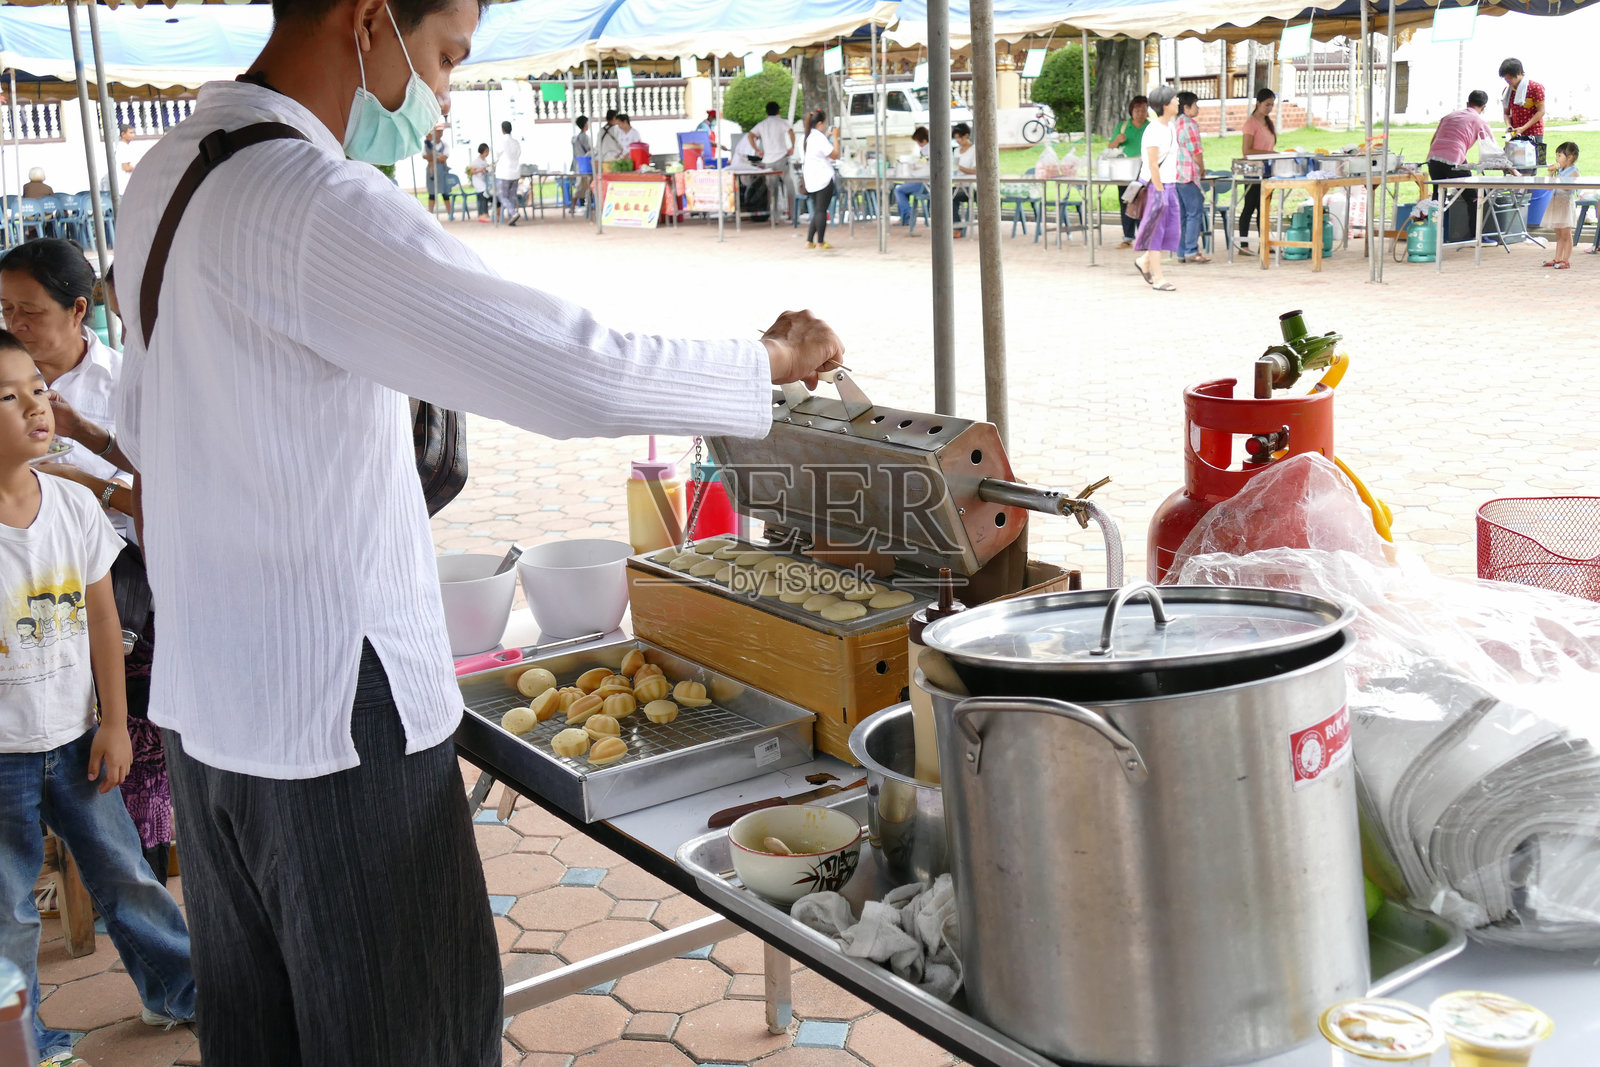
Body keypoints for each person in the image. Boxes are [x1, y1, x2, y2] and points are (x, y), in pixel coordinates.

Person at [113, 2, 844, 1065]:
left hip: (211, 704)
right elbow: (564, 361)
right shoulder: (311, 199)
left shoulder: (170, 171)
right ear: (369, 22)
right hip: (336, 712)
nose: (445, 94)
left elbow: (144, 426)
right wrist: (764, 360)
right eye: (448, 56)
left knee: (262, 1038)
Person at [0, 332, 197, 1067]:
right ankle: (21, 1042)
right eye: (8, 396)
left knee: (127, 876)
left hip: (76, 740)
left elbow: (105, 618)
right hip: (3, 757)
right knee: (8, 910)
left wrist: (115, 722)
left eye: (37, 387)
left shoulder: (73, 505)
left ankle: (178, 988)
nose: (35, 406)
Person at [1426, 90, 1493, 240]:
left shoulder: (1448, 116)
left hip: (1433, 158)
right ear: (1483, 108)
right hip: (1454, 159)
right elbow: (1491, 147)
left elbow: (1434, 139)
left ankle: (1434, 235)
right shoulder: (1479, 120)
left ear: (1467, 103)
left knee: (1438, 196)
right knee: (1473, 198)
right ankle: (1476, 236)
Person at [1134, 86, 1181, 292]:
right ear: (1165, 104)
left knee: (1169, 229)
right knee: (1156, 231)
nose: (1178, 101)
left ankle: (1145, 260)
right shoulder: (1153, 129)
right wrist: (1160, 191)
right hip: (1157, 186)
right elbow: (1153, 164)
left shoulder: (1170, 126)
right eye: (1174, 99)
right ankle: (1158, 277)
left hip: (1170, 184)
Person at [1237, 87, 1277, 249]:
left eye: (1272, 105)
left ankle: (1264, 244)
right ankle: (1244, 245)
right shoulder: (1250, 124)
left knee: (1264, 208)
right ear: (1258, 103)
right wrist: (1270, 153)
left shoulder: (1268, 123)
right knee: (1249, 207)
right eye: (1267, 104)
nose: (1269, 108)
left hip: (1268, 169)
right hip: (1253, 170)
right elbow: (1247, 150)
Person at [1173, 91, 1209, 263]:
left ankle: (1181, 251)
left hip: (1176, 175)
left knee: (1183, 215)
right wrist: (1202, 168)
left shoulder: (1175, 124)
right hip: (1188, 174)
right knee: (1195, 213)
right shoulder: (1190, 125)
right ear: (1186, 107)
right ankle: (1192, 250)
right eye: (1195, 104)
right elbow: (1196, 152)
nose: (1198, 108)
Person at [1108, 95, 1149, 248]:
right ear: (1131, 111)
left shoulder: (1151, 127)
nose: (1140, 113)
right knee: (1126, 201)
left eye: (1143, 110)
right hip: (1124, 170)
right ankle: (1128, 237)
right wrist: (1117, 140)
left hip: (1144, 169)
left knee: (1142, 202)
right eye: (1137, 109)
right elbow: (1110, 147)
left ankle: (1143, 236)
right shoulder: (1123, 127)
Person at [751, 101, 795, 221]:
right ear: (778, 111)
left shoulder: (762, 124)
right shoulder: (782, 122)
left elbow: (751, 135)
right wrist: (792, 146)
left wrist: (756, 150)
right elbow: (791, 132)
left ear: (766, 112)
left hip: (768, 160)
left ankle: (774, 216)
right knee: (789, 186)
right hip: (781, 158)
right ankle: (793, 214)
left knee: (772, 190)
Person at [1499, 57, 1545, 174]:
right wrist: (1509, 125)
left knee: (1529, 168)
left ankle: (1528, 191)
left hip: (1533, 133)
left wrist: (1523, 128)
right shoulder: (1507, 91)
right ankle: (1513, 191)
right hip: (1515, 134)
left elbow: (1541, 111)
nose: (1508, 81)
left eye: (1510, 78)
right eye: (1506, 78)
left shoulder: (1535, 88)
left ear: (1519, 73)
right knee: (1510, 167)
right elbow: (1506, 113)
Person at [803, 109, 840, 249]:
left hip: (811, 178)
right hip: (823, 177)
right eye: (824, 123)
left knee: (818, 209)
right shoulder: (819, 138)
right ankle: (820, 241)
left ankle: (809, 240)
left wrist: (826, 137)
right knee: (821, 211)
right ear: (819, 123)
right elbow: (835, 154)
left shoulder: (807, 137)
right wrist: (835, 137)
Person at [1543, 142, 1579, 269]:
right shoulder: (1560, 171)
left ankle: (1565, 260)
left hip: (1565, 203)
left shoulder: (1573, 171)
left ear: (1570, 157)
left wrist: (1558, 179)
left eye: (1559, 156)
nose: (1557, 159)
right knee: (1558, 234)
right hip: (1556, 202)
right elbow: (1549, 188)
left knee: (1566, 233)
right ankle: (1557, 258)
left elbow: (1568, 187)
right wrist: (1551, 174)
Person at [893, 126, 931, 227]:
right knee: (900, 189)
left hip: (925, 183)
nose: (918, 145)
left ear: (923, 140)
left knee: (899, 190)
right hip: (922, 181)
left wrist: (914, 171)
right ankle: (905, 217)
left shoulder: (928, 150)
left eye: (918, 142)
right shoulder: (924, 151)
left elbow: (927, 169)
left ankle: (908, 215)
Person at [952, 122, 978, 236]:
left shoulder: (974, 150)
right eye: (956, 138)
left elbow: (976, 170)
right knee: (947, 197)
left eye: (959, 137)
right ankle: (955, 226)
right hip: (959, 184)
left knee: (953, 197)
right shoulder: (956, 151)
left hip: (973, 186)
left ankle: (959, 229)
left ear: (966, 135)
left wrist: (959, 168)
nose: (958, 140)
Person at [495, 118, 521, 226]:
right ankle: (511, 219)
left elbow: (496, 154)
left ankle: (513, 213)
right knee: (511, 196)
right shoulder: (516, 142)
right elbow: (519, 154)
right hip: (515, 172)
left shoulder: (502, 141)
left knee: (502, 196)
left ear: (502, 129)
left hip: (504, 173)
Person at [423, 123, 449, 211]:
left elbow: (445, 157)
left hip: (441, 171)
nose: (440, 133)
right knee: (432, 193)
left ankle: (450, 214)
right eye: (438, 131)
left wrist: (433, 159)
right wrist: (438, 158)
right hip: (432, 171)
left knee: (445, 193)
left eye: (441, 131)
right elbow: (425, 156)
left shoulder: (445, 145)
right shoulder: (428, 144)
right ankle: (430, 213)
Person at [570, 115, 592, 212]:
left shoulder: (575, 138)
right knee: (585, 186)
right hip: (585, 164)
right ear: (585, 124)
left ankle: (574, 206)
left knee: (580, 186)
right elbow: (589, 149)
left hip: (579, 164)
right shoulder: (585, 137)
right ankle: (576, 206)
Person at [465, 141, 490, 221]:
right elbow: (470, 172)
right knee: (483, 196)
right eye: (486, 151)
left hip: (483, 182)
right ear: (482, 151)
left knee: (485, 196)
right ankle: (483, 214)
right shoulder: (476, 161)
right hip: (478, 183)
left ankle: (483, 213)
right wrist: (479, 171)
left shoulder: (485, 161)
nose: (487, 153)